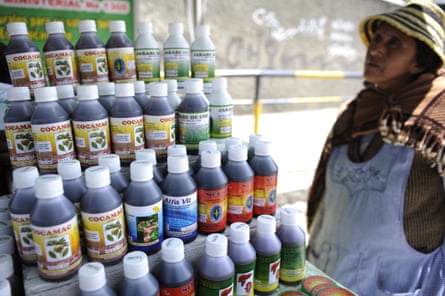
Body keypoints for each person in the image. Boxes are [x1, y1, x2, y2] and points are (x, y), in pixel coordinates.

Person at [306, 1, 445, 295]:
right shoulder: (356, 112)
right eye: (378, 38)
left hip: (398, 284)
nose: (376, 49)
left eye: (394, 43)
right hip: (326, 275)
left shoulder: (436, 119)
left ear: (420, 62)